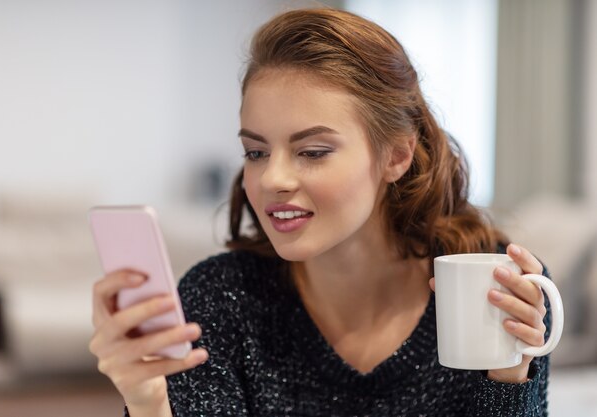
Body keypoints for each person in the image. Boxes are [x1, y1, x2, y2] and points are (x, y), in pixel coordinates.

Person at [89, 8, 553, 417]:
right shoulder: (219, 299)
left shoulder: (495, 288)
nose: (272, 179)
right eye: (255, 152)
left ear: (395, 156)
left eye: (311, 151)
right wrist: (150, 405)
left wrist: (510, 375)